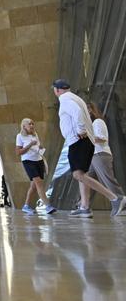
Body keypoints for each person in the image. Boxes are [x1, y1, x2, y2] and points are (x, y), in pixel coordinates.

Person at [53, 79, 125, 218]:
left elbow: (78, 113)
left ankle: (115, 198)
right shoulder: (76, 98)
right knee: (83, 174)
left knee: (78, 175)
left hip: (78, 141)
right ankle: (84, 206)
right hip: (83, 141)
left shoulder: (66, 99)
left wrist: (80, 130)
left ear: (57, 90)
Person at [16, 117, 56, 215]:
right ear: (24, 126)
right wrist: (29, 145)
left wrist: (40, 147)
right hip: (28, 161)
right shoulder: (20, 136)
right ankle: (48, 206)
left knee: (33, 186)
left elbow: (37, 147)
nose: (32, 126)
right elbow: (18, 152)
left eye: (33, 124)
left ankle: (26, 205)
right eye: (29, 124)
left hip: (38, 160)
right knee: (38, 183)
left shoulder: (35, 135)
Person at [87, 103, 125, 207]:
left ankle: (121, 200)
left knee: (108, 180)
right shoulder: (91, 124)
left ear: (90, 110)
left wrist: (86, 138)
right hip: (92, 155)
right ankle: (83, 205)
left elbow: (101, 138)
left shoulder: (98, 122)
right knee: (88, 181)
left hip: (100, 154)